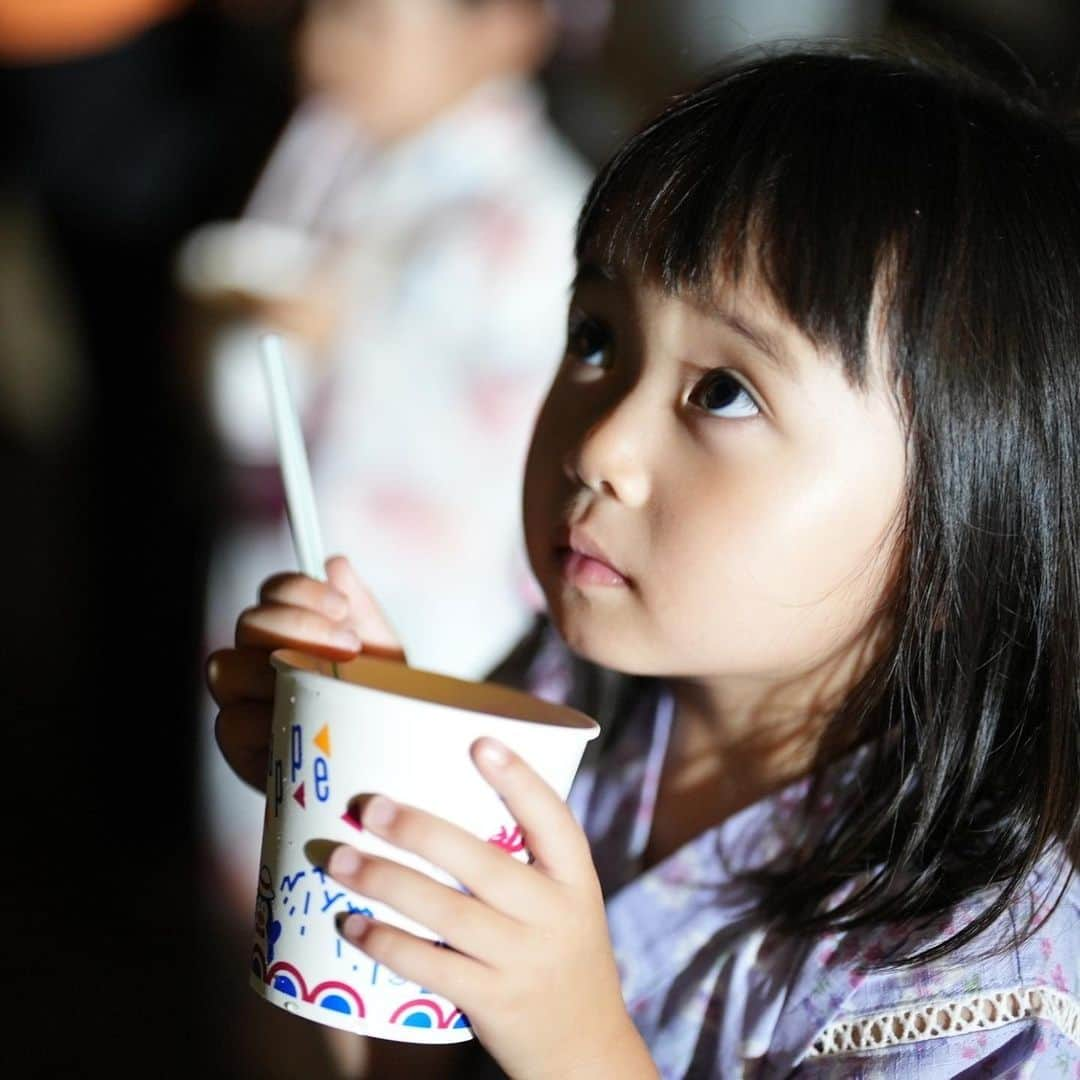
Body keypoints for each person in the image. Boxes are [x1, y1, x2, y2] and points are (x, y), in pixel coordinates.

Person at [206, 42, 1080, 1078]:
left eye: (726, 392)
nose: (599, 446)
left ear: (960, 527)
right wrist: (378, 800)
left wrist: (578, 1048)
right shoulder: (562, 694)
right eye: (594, 338)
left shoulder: (980, 991)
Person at [181, 0, 594, 925]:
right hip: (281, 581)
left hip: (423, 630)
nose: (322, 46)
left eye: (368, 22)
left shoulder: (534, 221)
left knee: (359, 916)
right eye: (319, 14)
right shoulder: (332, 153)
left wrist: (328, 342)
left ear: (508, 28)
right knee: (246, 893)